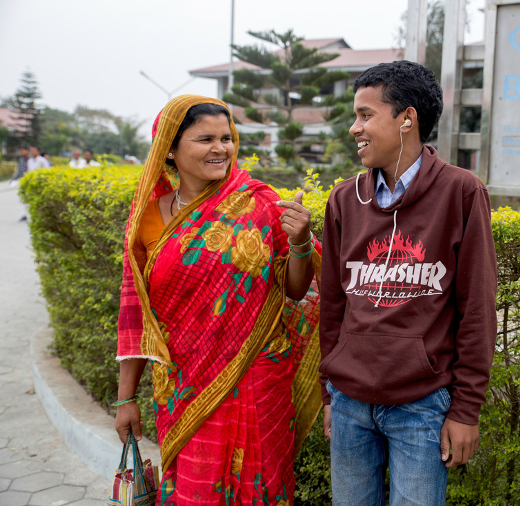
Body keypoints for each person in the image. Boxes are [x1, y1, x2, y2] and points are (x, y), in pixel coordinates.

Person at [114, 95, 322, 504]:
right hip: (183, 386)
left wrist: (299, 243)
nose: (220, 148)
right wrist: (125, 398)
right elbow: (137, 318)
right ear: (169, 149)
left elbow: (297, 290)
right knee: (194, 490)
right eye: (205, 138)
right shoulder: (148, 220)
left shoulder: (259, 203)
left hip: (258, 379)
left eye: (227, 138)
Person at [319, 60, 497, 505]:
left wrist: (466, 409)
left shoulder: (461, 192)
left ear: (406, 119)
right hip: (348, 404)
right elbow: (333, 305)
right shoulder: (344, 198)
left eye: (365, 115)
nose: (354, 128)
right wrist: (329, 392)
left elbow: (476, 308)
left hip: (422, 407)